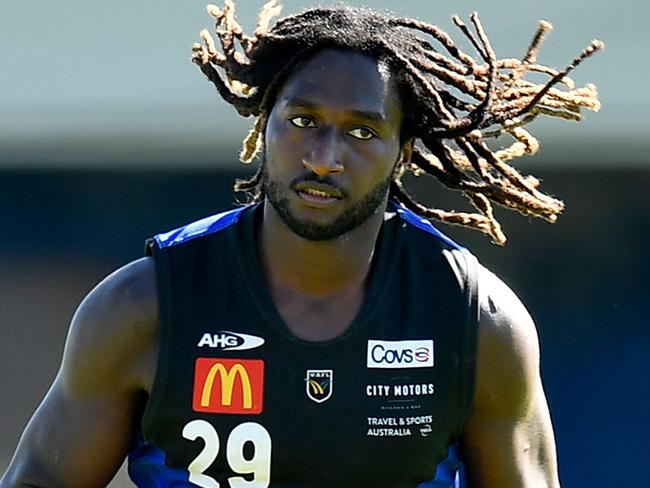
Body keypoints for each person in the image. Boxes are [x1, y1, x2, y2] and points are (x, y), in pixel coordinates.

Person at [1, 1, 602, 487]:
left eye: (362, 131)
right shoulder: (144, 306)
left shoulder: (476, 320)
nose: (323, 158)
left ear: (404, 154)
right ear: (264, 123)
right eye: (303, 120)